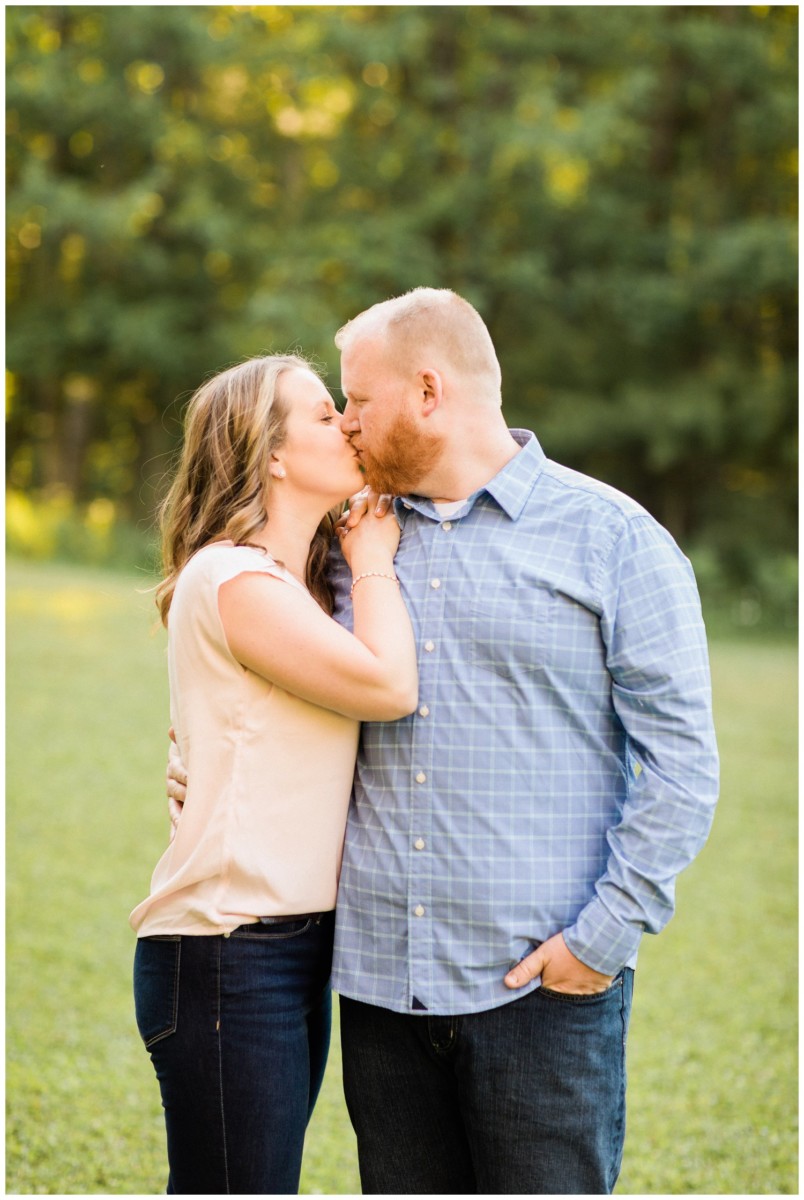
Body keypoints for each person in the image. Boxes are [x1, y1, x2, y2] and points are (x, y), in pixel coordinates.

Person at [168, 290, 719, 1195]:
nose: (346, 423)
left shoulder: (616, 541)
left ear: (428, 392)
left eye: (359, 399)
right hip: (380, 990)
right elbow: (251, 666)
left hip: (540, 990)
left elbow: (683, 765)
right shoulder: (344, 546)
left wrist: (605, 937)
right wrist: (200, 755)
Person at [131, 353, 418, 1195]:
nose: (349, 424)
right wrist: (373, 554)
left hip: (295, 943)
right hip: (227, 949)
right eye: (326, 413)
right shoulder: (234, 576)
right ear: (273, 455)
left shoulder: (293, 583)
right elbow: (390, 687)